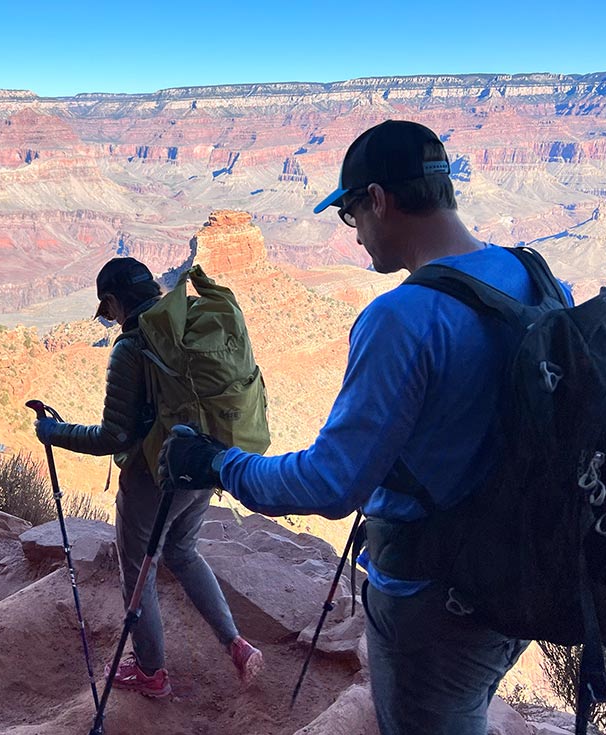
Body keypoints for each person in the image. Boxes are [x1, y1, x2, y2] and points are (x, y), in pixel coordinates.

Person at [159, 120, 566, 734]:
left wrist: (217, 462)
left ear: (378, 199)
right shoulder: (536, 276)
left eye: (350, 214)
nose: (354, 239)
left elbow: (330, 484)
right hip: (522, 573)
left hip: (437, 601)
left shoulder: (403, 317)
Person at [34, 257, 264, 698]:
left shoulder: (133, 347)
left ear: (115, 301)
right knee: (183, 552)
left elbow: (113, 436)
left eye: (107, 310)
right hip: (202, 461)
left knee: (139, 569)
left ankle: (151, 673)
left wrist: (53, 433)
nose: (109, 318)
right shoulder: (180, 329)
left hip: (153, 477)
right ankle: (235, 642)